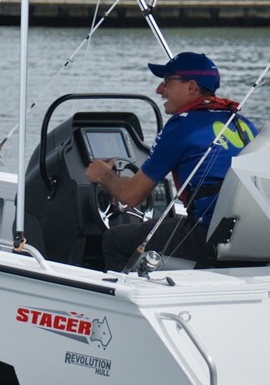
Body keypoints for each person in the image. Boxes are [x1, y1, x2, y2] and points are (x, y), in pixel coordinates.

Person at [85, 51, 256, 270]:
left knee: (114, 240)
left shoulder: (181, 127)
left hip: (207, 234)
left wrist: (103, 175)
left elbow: (130, 196)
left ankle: (128, 299)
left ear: (191, 87)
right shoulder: (243, 124)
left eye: (167, 82)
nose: (159, 90)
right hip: (247, 231)